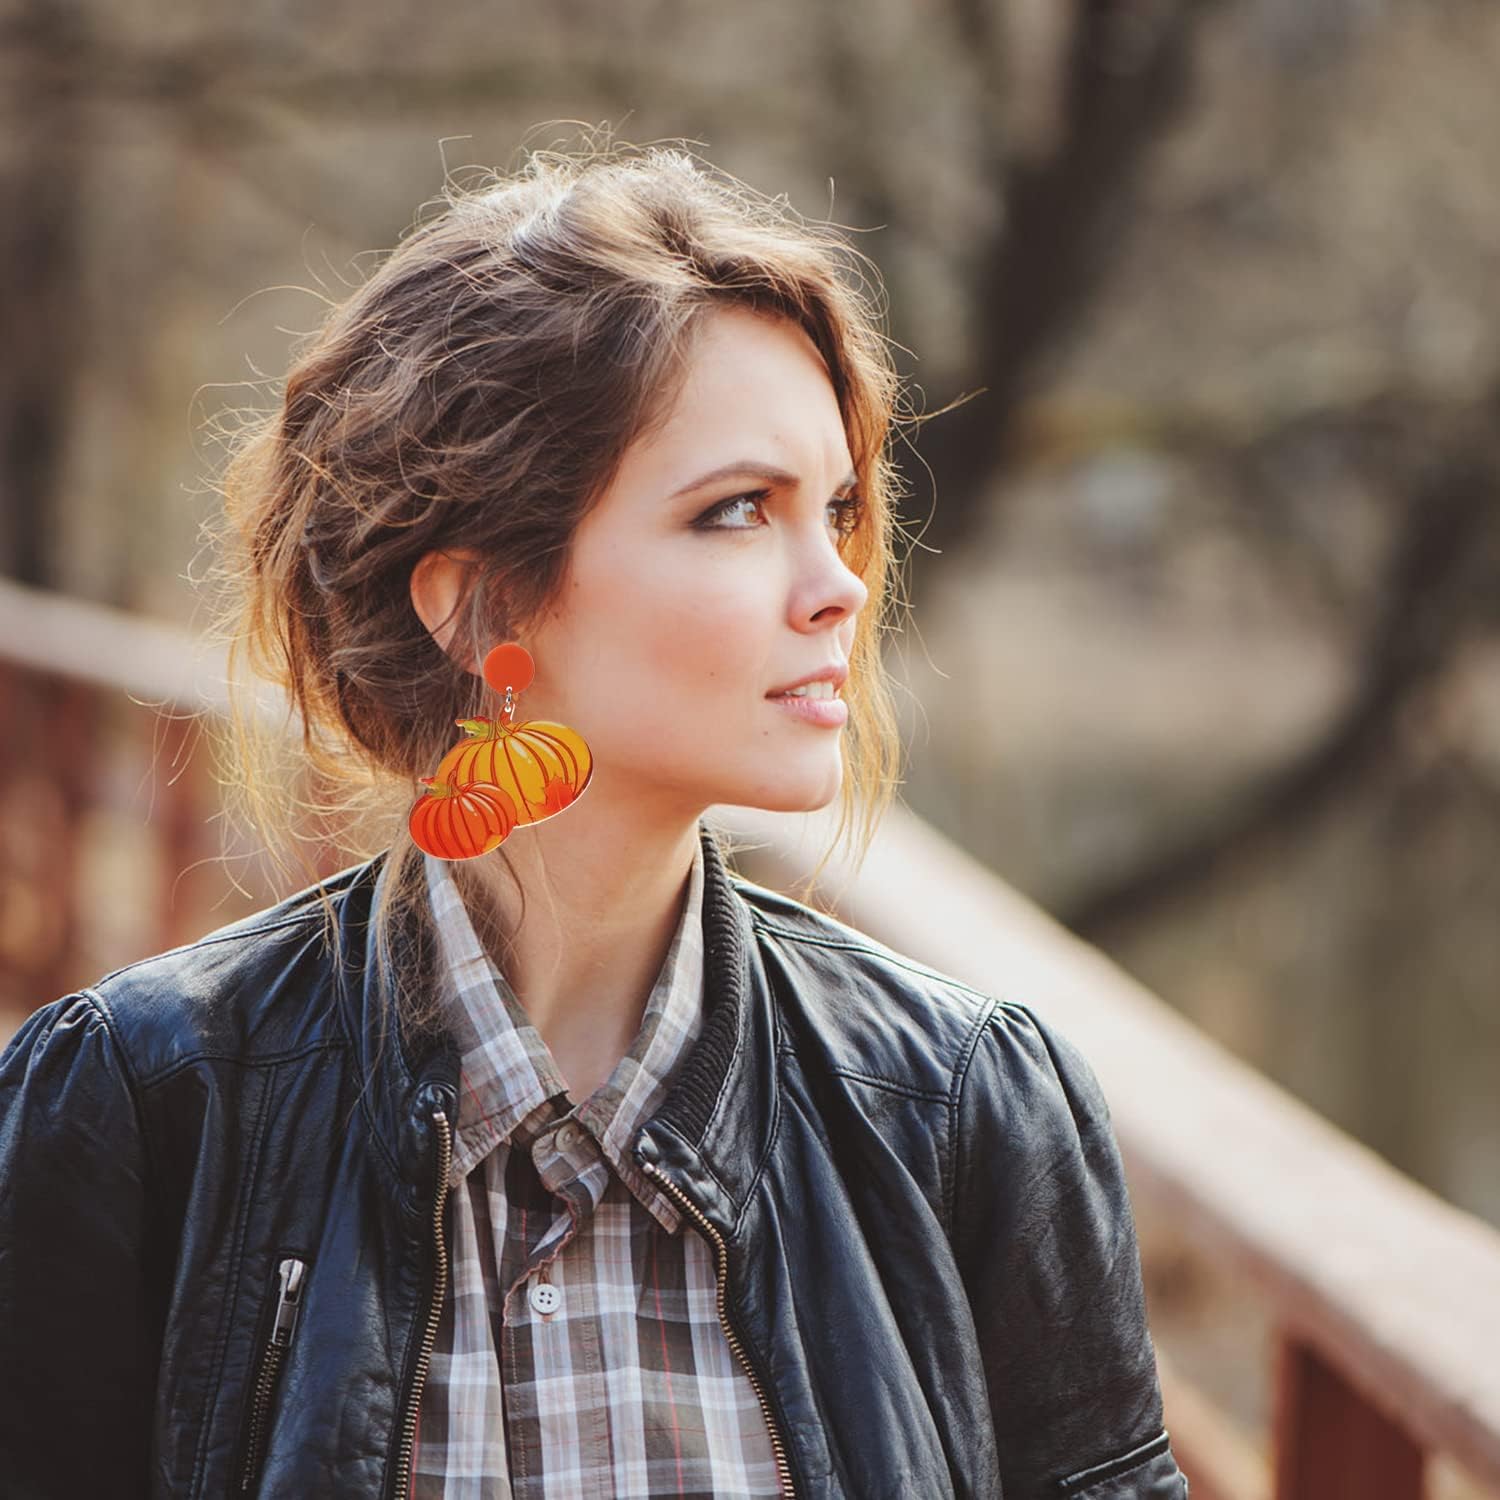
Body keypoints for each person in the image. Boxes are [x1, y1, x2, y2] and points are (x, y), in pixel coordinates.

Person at [0, 138, 1188, 1499]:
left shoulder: (968, 1110)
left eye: (838, 510)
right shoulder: (144, 1103)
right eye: (737, 511)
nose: (840, 587)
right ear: (480, 607)